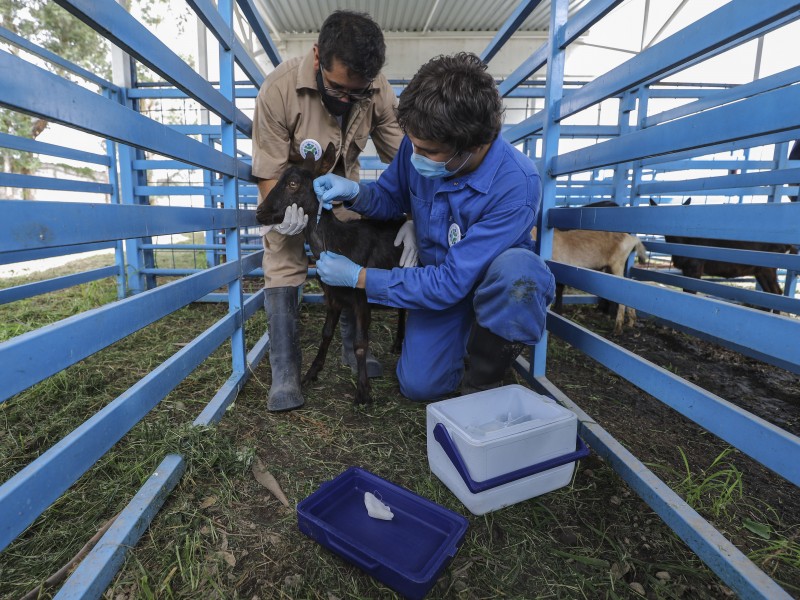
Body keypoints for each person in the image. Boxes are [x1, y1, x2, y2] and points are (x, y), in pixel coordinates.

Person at [313, 52, 556, 401]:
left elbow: (455, 281)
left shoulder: (517, 184)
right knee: (419, 386)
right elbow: (390, 198)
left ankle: (485, 376)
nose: (415, 156)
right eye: (413, 144)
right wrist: (355, 193)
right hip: (436, 277)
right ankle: (459, 338)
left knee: (520, 274)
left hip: (481, 281)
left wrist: (361, 278)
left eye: (428, 151)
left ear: (472, 146)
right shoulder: (420, 144)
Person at [252, 11, 412, 412]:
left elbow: (406, 157)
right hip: (293, 196)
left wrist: (414, 215)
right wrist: (287, 215)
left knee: (353, 248)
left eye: (358, 94)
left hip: (343, 193)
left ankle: (351, 346)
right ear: (318, 56)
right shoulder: (278, 90)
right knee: (285, 256)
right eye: (340, 90)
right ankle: (285, 371)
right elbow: (270, 171)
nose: (347, 100)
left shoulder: (375, 90)